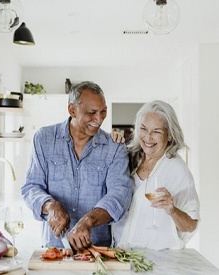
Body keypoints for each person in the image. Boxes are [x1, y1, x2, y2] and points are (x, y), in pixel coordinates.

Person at [21, 81, 133, 252]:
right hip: (54, 249)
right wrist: (50, 205)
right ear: (72, 110)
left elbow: (120, 194)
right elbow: (31, 187)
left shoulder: (115, 147)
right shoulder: (43, 139)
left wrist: (88, 221)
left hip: (97, 250)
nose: (99, 119)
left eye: (103, 111)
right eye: (91, 113)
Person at [112, 100, 200, 250]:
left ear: (170, 135)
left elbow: (191, 225)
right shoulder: (128, 157)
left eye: (157, 131)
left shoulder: (177, 169)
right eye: (144, 129)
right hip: (120, 253)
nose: (148, 137)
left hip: (157, 260)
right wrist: (111, 144)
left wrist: (173, 210)